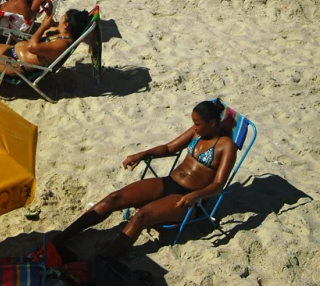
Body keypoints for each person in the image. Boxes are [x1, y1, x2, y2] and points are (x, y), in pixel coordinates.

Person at [54, 99, 236, 258]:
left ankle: (102, 258)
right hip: (168, 182)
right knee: (113, 198)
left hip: (187, 199)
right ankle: (63, 236)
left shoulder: (226, 146)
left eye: (197, 123)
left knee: (140, 217)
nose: (194, 127)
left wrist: (195, 196)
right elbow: (168, 148)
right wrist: (142, 154)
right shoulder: (197, 133)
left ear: (212, 123)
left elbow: (219, 185)